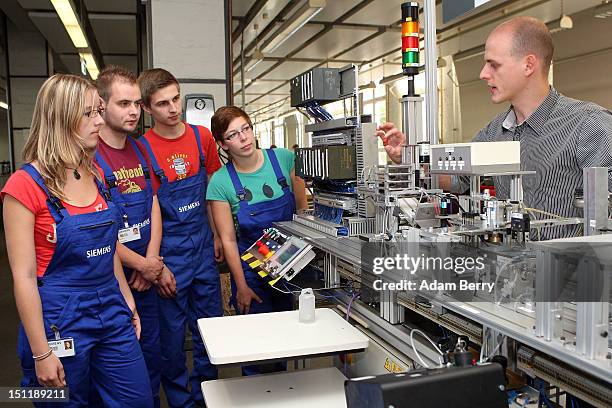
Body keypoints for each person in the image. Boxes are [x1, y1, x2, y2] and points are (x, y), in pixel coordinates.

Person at [377, 16, 612, 239]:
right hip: (509, 270)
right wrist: (407, 157)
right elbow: (457, 180)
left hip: (571, 276)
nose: (483, 74)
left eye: (493, 64)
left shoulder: (589, 125)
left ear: (528, 65)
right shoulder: (495, 131)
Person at [1, 74, 152, 406]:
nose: (99, 120)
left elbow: (108, 248)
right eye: (89, 113)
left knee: (138, 399)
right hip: (59, 318)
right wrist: (41, 353)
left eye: (99, 110)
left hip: (111, 308)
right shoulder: (24, 186)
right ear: (61, 118)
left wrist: (127, 301)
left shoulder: (95, 174)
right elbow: (23, 277)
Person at [137, 68, 223, 408]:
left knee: (210, 333)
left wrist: (216, 235)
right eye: (162, 104)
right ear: (147, 109)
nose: (173, 109)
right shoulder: (142, 150)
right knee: (171, 342)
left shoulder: (202, 137)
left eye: (175, 99)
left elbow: (214, 195)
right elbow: (149, 211)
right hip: (170, 254)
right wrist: (158, 265)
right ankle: (181, 403)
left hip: (202, 248)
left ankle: (208, 398)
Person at [94, 65, 177, 407]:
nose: (132, 111)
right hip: (113, 282)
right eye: (122, 103)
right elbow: (94, 228)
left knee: (152, 360)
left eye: (135, 104)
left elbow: (154, 202)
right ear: (101, 105)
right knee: (121, 378)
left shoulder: (141, 150)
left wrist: (153, 261)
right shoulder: (91, 155)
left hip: (147, 275)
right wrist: (141, 264)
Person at [207, 106, 307, 375]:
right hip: (251, 274)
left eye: (246, 128)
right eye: (233, 134)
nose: (244, 138)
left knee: (287, 342)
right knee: (257, 348)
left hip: (288, 267)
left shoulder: (284, 159)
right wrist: (240, 286)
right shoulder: (220, 182)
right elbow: (228, 239)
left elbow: (302, 208)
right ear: (222, 144)